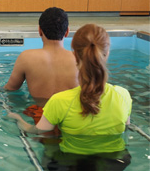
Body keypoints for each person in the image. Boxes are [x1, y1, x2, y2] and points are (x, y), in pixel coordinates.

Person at [8, 24, 132, 166]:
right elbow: (125, 127)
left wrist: (18, 119)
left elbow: (36, 131)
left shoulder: (60, 101)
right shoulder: (123, 95)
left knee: (48, 155)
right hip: (114, 164)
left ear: (74, 55)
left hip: (72, 165)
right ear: (107, 52)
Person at [4, 7, 78, 128]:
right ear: (67, 31)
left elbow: (9, 90)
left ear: (39, 30)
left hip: (40, 117)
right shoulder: (80, 60)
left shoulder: (26, 57)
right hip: (72, 118)